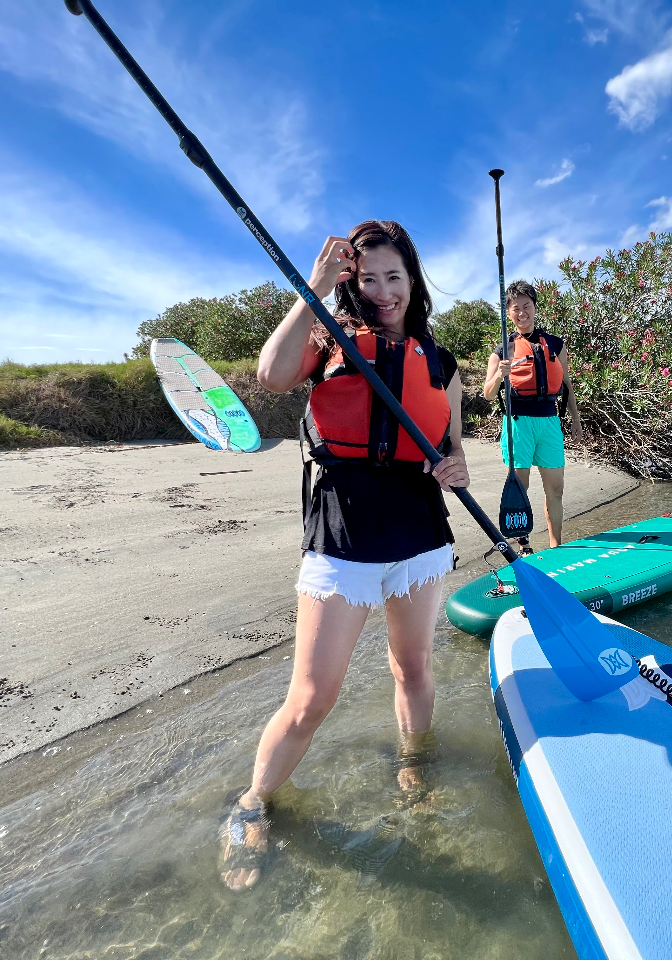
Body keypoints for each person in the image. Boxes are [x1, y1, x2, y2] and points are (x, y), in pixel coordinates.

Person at [219, 220, 469, 891]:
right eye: (369, 279)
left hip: (418, 534)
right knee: (311, 697)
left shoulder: (435, 358)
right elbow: (272, 375)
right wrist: (313, 290)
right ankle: (252, 803)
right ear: (352, 282)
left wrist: (457, 466)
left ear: (412, 279)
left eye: (395, 277)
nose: (383, 291)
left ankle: (413, 762)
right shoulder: (329, 336)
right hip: (343, 535)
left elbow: (450, 434)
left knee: (412, 667)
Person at [481, 280, 582, 552]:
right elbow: (488, 394)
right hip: (518, 424)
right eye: (516, 308)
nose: (522, 312)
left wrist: (576, 419)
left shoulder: (555, 344)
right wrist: (499, 376)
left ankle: (556, 546)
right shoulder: (502, 350)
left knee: (556, 490)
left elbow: (568, 385)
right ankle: (524, 545)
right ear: (509, 313)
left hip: (549, 421)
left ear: (535, 308)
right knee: (519, 488)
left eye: (527, 306)